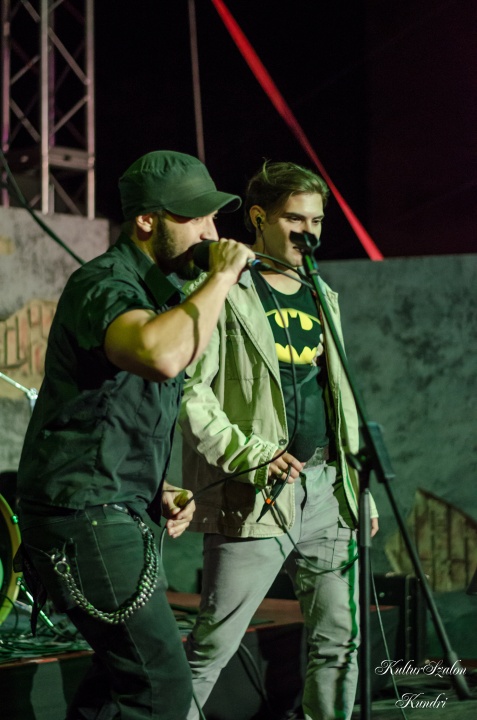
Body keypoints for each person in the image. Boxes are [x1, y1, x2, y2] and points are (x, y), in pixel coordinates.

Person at [15, 150, 255, 720]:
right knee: (160, 687)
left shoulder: (158, 295)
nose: (211, 233)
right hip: (88, 517)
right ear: (147, 220)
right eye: (195, 218)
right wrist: (221, 276)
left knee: (114, 686)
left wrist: (158, 488)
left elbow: (114, 416)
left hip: (117, 507)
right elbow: (158, 355)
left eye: (213, 218)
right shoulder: (104, 283)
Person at [179, 160, 379, 720]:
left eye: (316, 220)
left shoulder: (321, 293)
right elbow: (190, 394)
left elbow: (340, 399)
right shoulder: (224, 290)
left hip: (328, 489)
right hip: (257, 494)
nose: (307, 232)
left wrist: (357, 487)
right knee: (212, 647)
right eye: (294, 219)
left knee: (340, 642)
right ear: (259, 218)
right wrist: (251, 454)